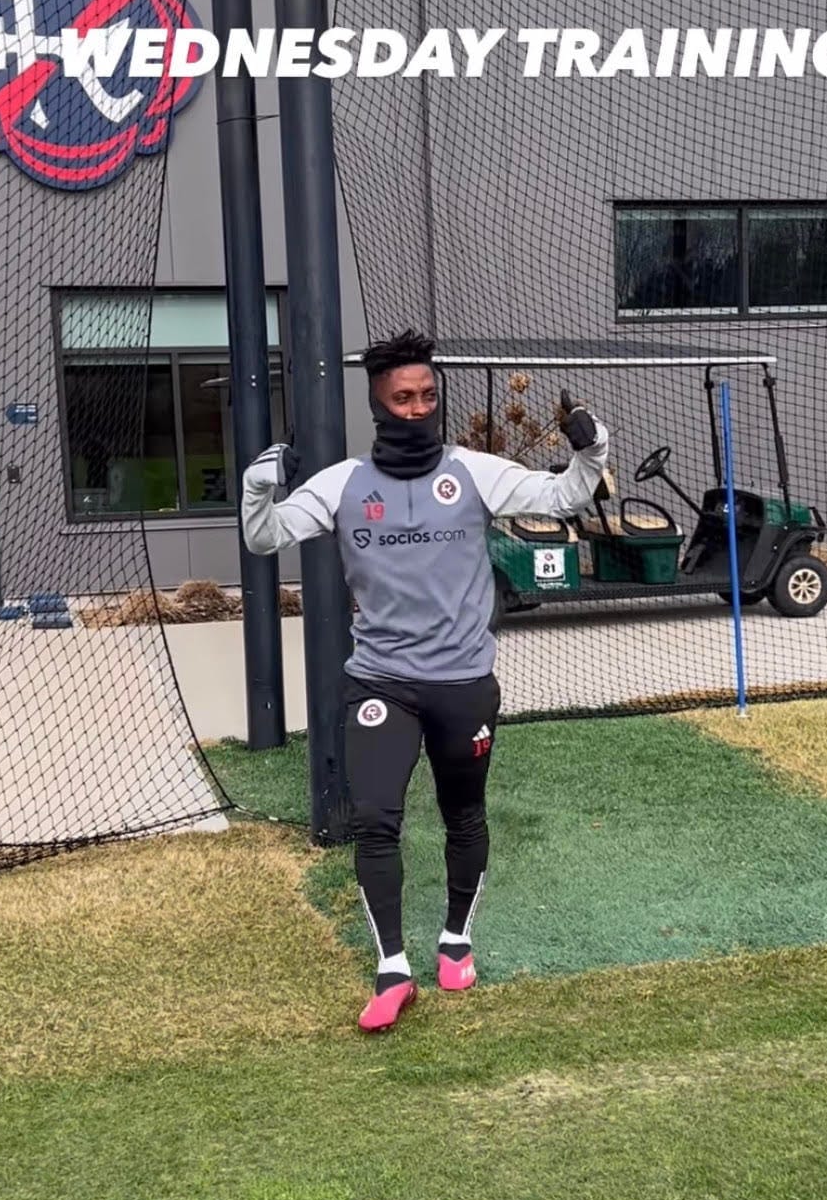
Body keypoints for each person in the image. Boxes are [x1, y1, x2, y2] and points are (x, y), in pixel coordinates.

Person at [241, 329, 608, 1032]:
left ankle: (455, 940)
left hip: (462, 684)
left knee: (463, 814)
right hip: (380, 681)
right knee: (375, 819)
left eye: (427, 396)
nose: (417, 408)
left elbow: (563, 495)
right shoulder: (343, 485)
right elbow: (265, 536)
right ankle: (392, 969)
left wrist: (591, 452)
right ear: (378, 405)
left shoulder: (473, 472)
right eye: (403, 397)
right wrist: (259, 487)